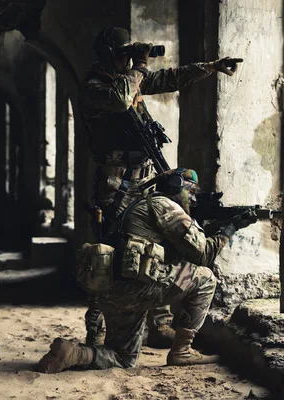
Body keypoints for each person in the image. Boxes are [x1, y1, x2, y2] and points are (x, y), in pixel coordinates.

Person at [79, 26, 243, 348]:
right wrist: (139, 66)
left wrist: (210, 67)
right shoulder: (95, 87)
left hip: (144, 177)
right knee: (110, 249)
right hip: (115, 184)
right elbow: (120, 99)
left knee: (158, 243)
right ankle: (95, 329)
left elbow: (169, 79)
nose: (130, 60)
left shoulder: (130, 79)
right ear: (110, 53)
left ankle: (160, 324)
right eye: (124, 53)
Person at [37, 168, 256, 373]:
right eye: (192, 192)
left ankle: (74, 354)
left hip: (111, 290)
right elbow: (204, 254)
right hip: (137, 289)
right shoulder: (166, 207)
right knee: (206, 278)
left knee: (124, 358)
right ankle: (182, 351)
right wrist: (230, 228)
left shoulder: (140, 204)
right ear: (176, 187)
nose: (195, 199)